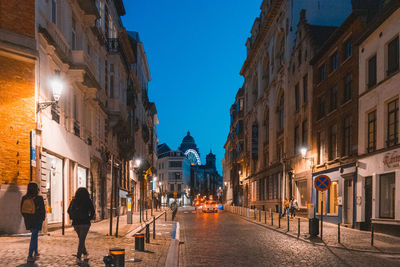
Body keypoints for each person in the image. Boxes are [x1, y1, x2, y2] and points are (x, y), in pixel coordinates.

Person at [68, 187, 95, 265]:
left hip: (76, 223)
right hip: (85, 223)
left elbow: (68, 210)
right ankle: (78, 256)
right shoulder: (88, 201)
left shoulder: (74, 200)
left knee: (81, 239)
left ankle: (85, 253)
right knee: (81, 239)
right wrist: (89, 218)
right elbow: (92, 211)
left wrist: (72, 217)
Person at [20, 182, 46, 263]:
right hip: (37, 219)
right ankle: (30, 255)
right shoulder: (39, 198)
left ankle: (36, 251)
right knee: (34, 236)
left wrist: (27, 218)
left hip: (28, 220)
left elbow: (22, 210)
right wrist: (42, 218)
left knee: (34, 235)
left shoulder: (24, 198)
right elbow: (42, 210)